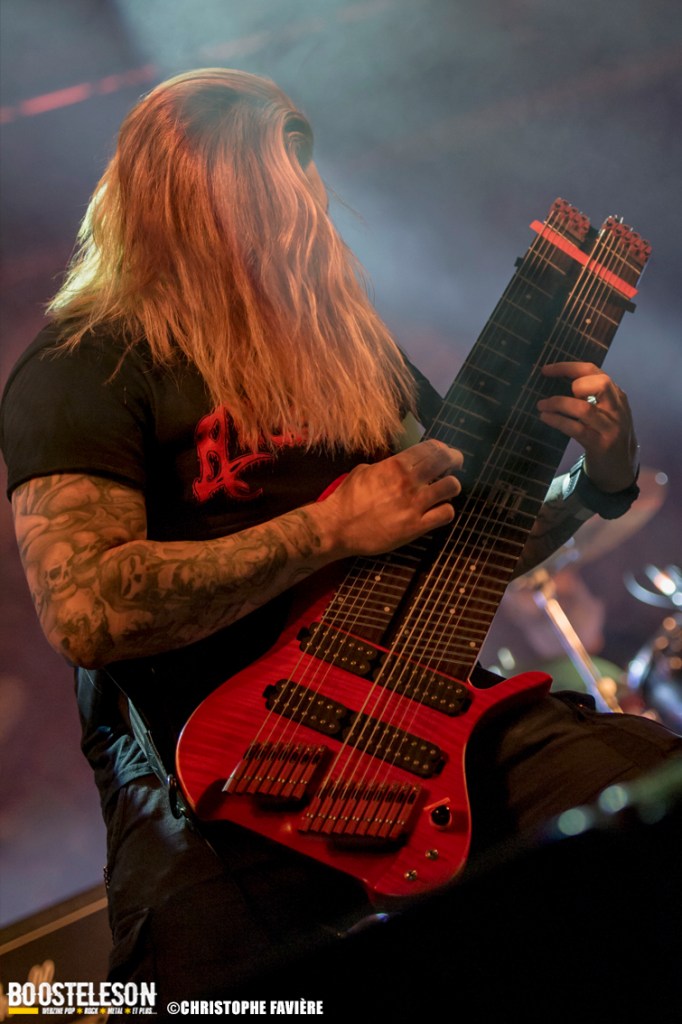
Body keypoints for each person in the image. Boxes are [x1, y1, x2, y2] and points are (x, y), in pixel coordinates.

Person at [1, 68, 680, 1015]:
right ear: (189, 197)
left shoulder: (351, 354)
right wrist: (329, 526)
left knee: (645, 788)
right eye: (277, 182)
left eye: (306, 178)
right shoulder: (83, 366)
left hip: (422, 723)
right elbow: (87, 611)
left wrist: (596, 484)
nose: (310, 205)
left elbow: (462, 550)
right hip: (219, 784)